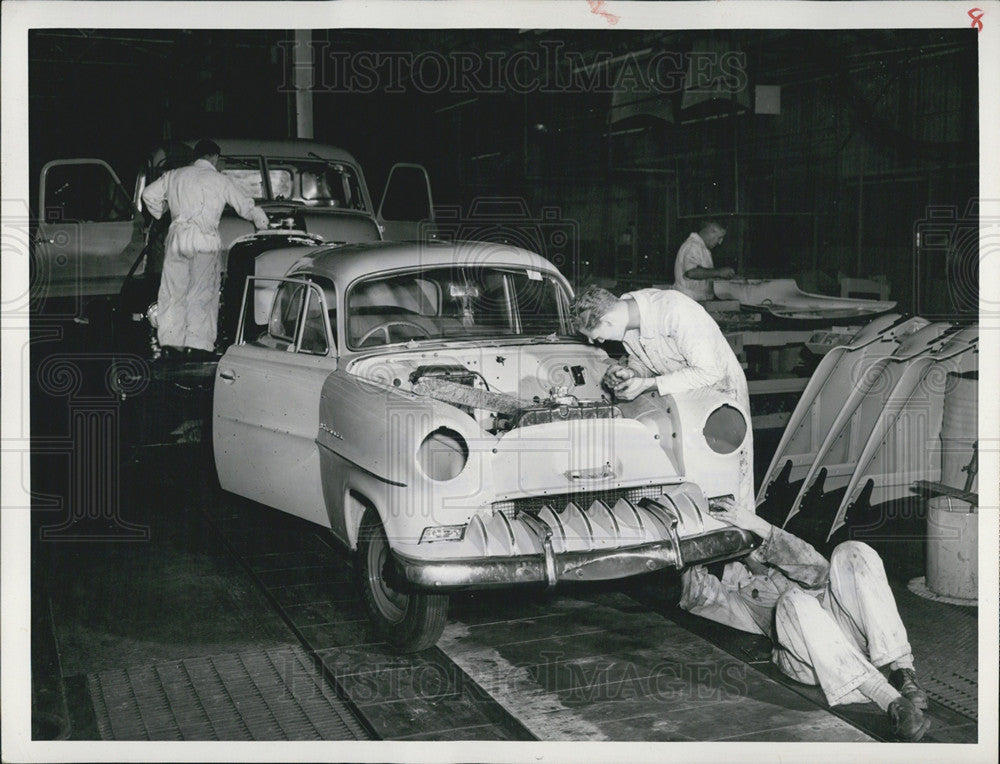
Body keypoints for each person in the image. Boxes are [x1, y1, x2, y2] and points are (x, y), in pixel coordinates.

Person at [681, 500, 931, 742]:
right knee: (791, 600)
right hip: (810, 659)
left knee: (852, 551)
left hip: (851, 637)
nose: (749, 547)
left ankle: (902, 670)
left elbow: (816, 567)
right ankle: (889, 699)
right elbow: (696, 595)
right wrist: (695, 544)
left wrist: (759, 525)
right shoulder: (738, 596)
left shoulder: (783, 560)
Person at [569, 285, 753, 511]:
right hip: (682, 395)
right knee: (686, 474)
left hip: (718, 395)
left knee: (725, 478)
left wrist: (647, 384)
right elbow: (644, 359)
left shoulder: (675, 312)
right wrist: (632, 372)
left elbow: (708, 371)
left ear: (608, 321)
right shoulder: (627, 316)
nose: (595, 343)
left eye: (595, 337)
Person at [141, 139, 269, 360]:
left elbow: (148, 195)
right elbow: (246, 206)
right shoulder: (219, 180)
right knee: (201, 293)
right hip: (205, 241)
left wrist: (161, 211)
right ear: (215, 158)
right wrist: (263, 225)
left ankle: (172, 345)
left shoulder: (174, 175)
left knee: (173, 292)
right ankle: (197, 347)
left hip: (177, 240)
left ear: (196, 157)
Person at [674, 220, 734, 301]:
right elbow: (691, 272)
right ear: (711, 232)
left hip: (696, 300)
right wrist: (719, 272)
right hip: (688, 300)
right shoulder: (693, 246)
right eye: (719, 237)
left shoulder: (703, 248)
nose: (720, 242)